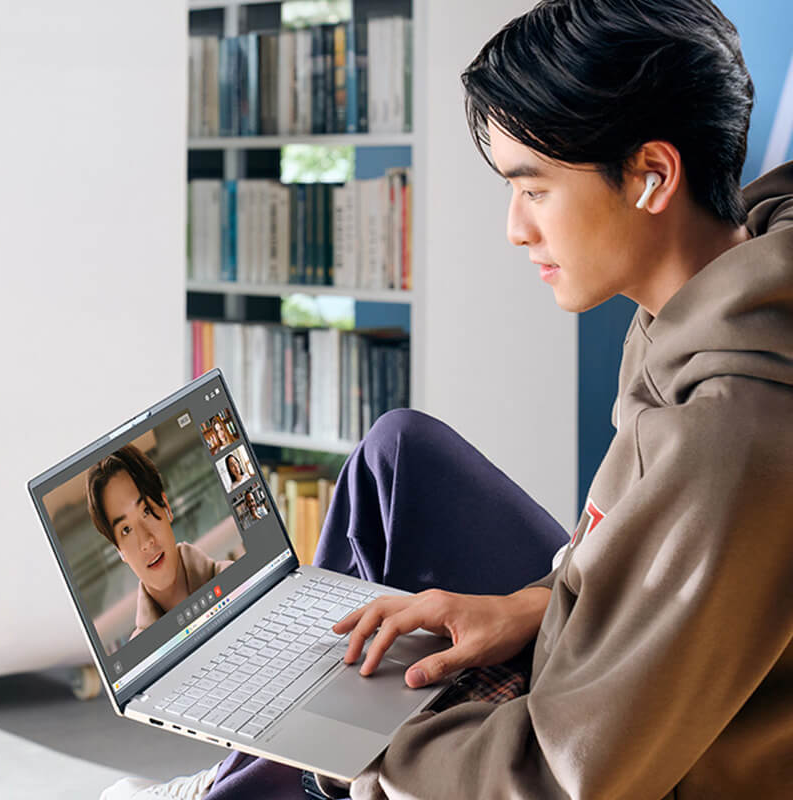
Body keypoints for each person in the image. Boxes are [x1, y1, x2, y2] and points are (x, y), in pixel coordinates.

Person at [101, 0, 793, 797]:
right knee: (400, 452)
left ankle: (268, 773)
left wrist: (368, 747)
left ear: (653, 176)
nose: (514, 227)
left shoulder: (730, 428)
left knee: (341, 732)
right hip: (607, 663)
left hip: (617, 763)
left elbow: (564, 780)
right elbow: (640, 565)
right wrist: (528, 606)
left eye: (533, 190)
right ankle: (262, 764)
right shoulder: (714, 292)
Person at [87, 444, 233, 641]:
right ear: (120, 551)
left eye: (146, 511)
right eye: (126, 530)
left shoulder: (232, 579)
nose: (146, 541)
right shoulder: (140, 649)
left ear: (166, 508)